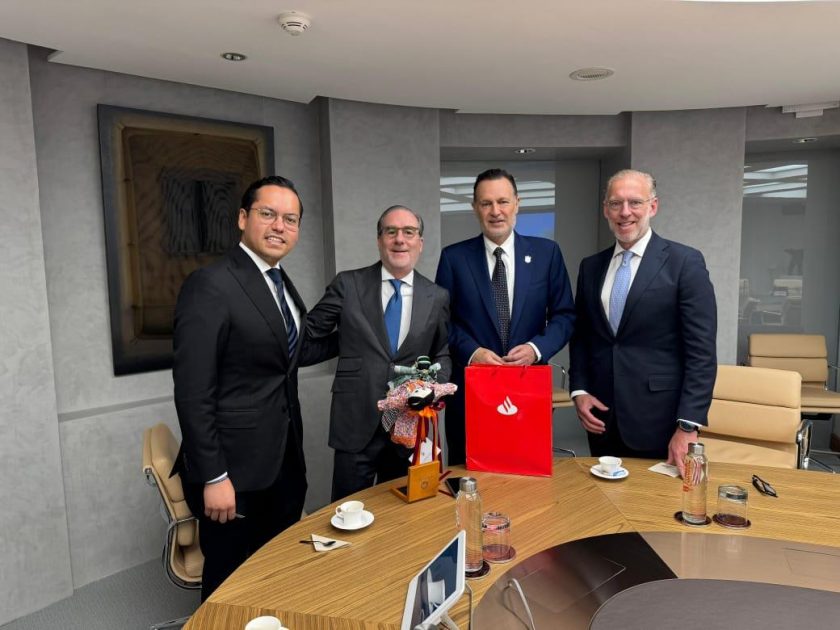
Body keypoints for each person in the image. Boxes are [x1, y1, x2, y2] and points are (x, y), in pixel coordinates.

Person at [172, 175, 336, 600]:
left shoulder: (279, 281)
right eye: (268, 214)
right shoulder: (211, 284)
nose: (280, 226)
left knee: (274, 570)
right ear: (243, 218)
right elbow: (193, 391)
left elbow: (291, 353)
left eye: (290, 219)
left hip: (282, 459)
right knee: (229, 581)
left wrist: (361, 335)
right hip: (234, 470)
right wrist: (214, 476)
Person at [569, 169, 717, 475]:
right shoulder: (591, 267)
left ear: (653, 206)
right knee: (604, 501)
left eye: (635, 202)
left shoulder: (684, 263)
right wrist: (580, 390)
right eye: (616, 203)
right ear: (605, 209)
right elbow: (582, 336)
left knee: (656, 503)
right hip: (603, 420)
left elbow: (701, 352)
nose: (625, 212)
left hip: (661, 423)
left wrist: (688, 426)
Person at [307, 205, 451, 501]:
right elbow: (310, 334)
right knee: (348, 509)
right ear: (379, 239)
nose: (400, 239)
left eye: (409, 232)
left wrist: (432, 389)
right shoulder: (348, 284)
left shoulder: (437, 296)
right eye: (391, 231)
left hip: (408, 424)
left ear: (420, 242)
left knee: (403, 513)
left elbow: (442, 353)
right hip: (356, 420)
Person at [435, 168, 575, 465]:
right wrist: (473, 352)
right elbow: (442, 323)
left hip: (527, 390)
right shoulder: (453, 258)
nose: (495, 211)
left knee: (526, 476)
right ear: (475, 208)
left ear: (517, 204)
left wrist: (536, 349)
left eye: (503, 201)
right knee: (470, 476)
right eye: (486, 203)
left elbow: (564, 315)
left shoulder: (547, 253)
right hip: (472, 394)